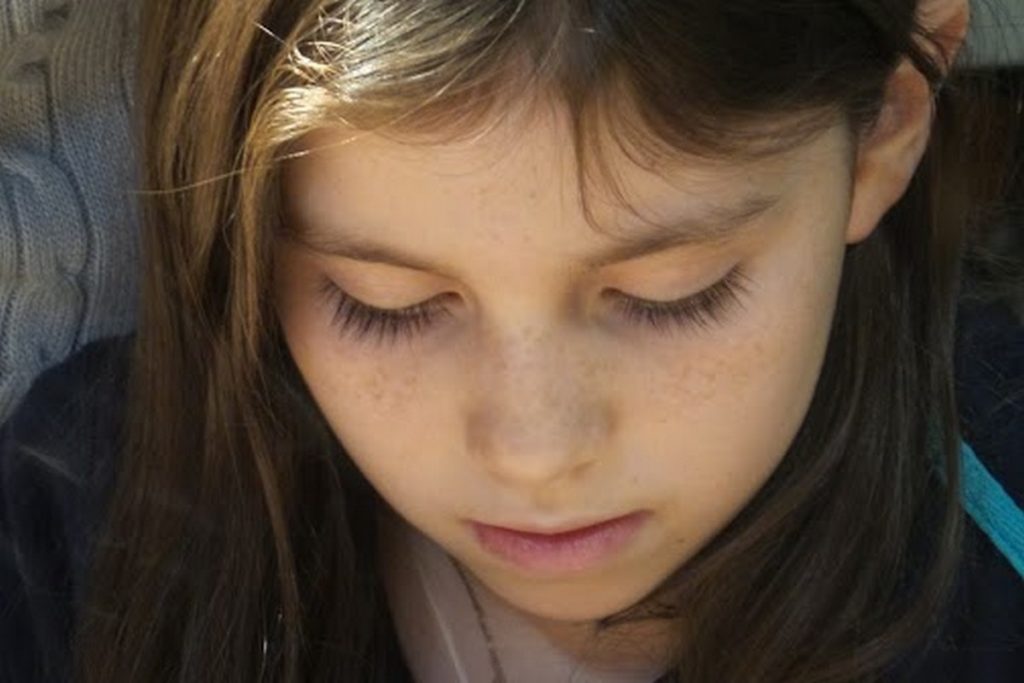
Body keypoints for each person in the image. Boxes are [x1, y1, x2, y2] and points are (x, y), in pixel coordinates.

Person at [1, 0, 1021, 681]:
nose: (536, 454)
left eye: (676, 292)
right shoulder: (81, 526)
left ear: (883, 131)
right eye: (383, 302)